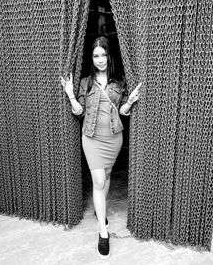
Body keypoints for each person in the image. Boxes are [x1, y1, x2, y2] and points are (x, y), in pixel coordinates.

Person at [60, 36, 142, 259]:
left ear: (109, 55)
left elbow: (123, 112)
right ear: (92, 58)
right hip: (92, 138)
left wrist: (131, 101)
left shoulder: (119, 82)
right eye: (96, 55)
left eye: (103, 54)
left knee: (106, 177)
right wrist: (69, 93)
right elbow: (79, 112)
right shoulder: (86, 82)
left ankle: (100, 210)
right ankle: (103, 232)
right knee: (98, 180)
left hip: (114, 138)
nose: (100, 59)